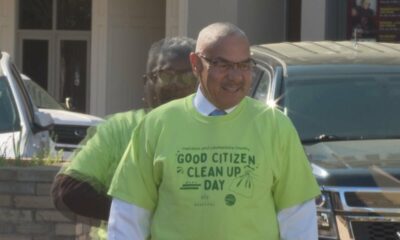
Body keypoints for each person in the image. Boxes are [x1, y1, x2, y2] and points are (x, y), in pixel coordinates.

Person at [107, 22, 321, 240]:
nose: (236, 76)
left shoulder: (276, 127)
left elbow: (298, 219)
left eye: (244, 65)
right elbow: (129, 217)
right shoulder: (157, 125)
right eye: (223, 65)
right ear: (195, 63)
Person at [50, 37, 197, 225]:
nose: (176, 84)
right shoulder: (117, 128)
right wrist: (134, 213)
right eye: (166, 75)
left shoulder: (217, 128)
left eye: (186, 76)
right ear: (146, 83)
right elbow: (67, 190)